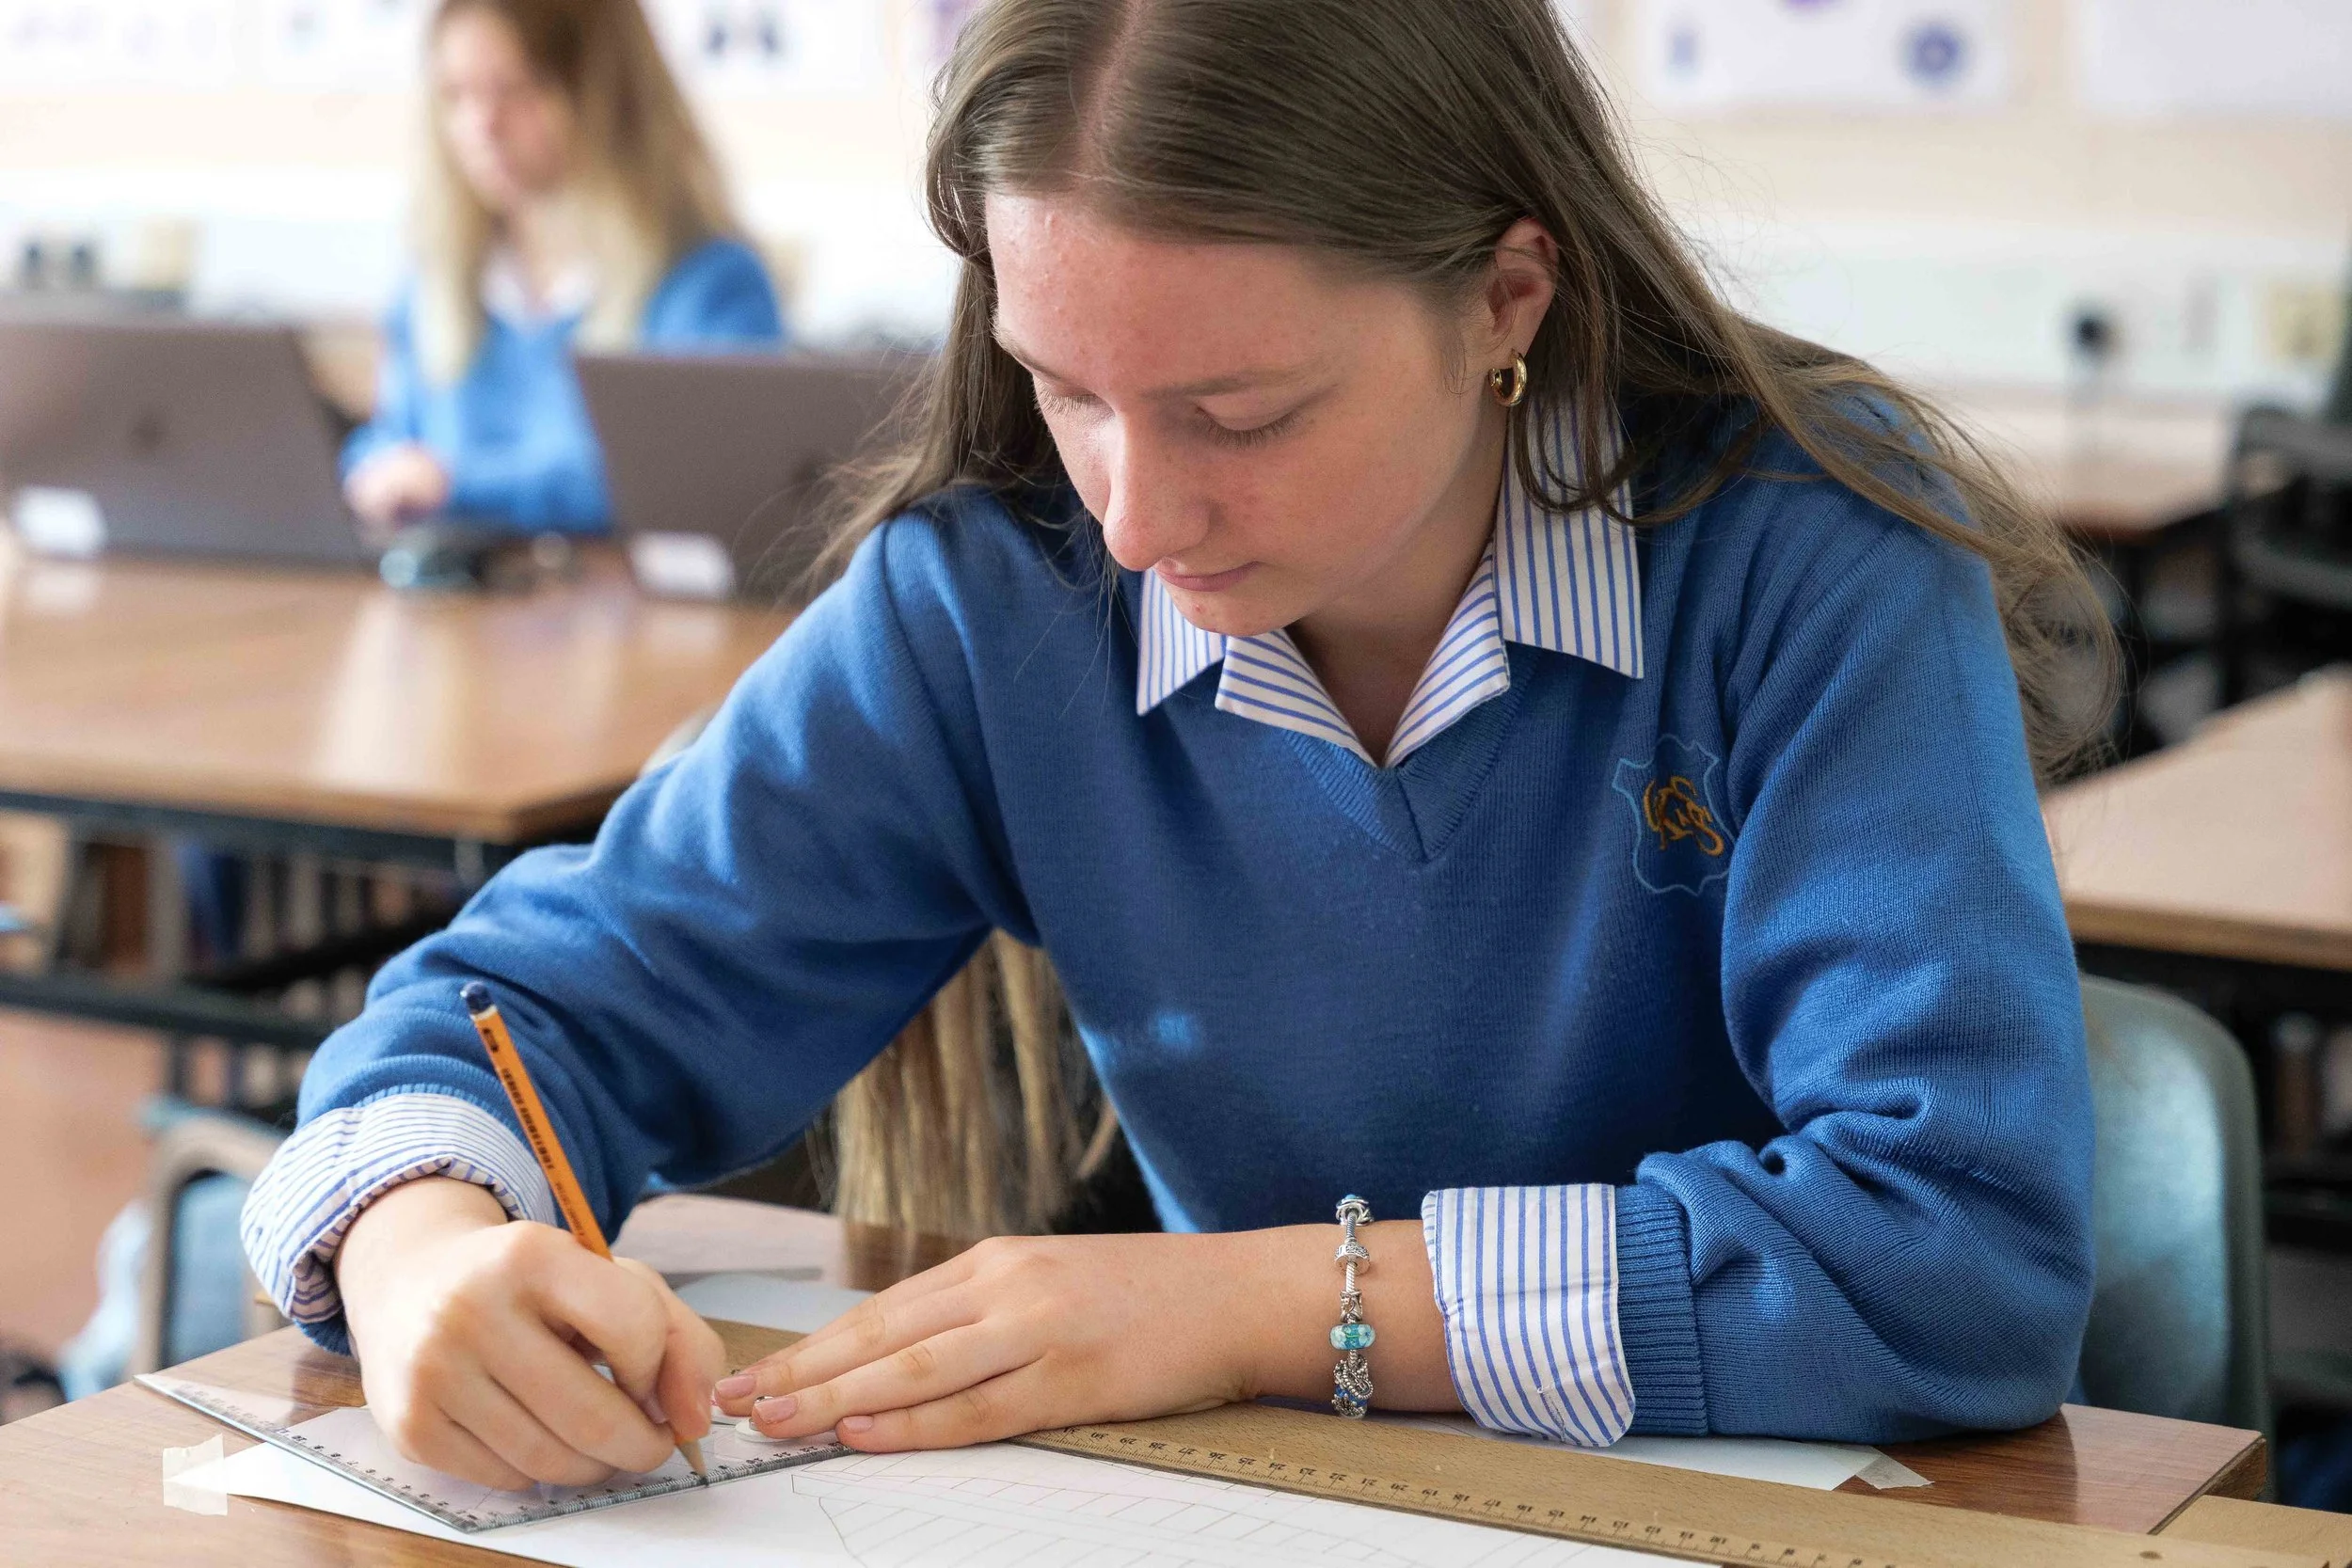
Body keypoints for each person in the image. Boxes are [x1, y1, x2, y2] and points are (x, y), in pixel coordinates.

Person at [243, 0, 2112, 1490]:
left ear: (1503, 301)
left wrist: (1249, 1301)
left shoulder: (1816, 561)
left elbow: (1953, 1242)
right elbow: (522, 1003)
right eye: (1067, 390)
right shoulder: (995, 603)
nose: (1135, 517)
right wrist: (415, 1243)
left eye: (1241, 410)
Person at [342, 0, 784, 535]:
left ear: (600, 95)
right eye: (456, 95)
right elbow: (394, 437)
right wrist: (369, 470)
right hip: (453, 607)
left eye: (515, 89)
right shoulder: (436, 279)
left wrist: (454, 485)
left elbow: (705, 481)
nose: (481, 125)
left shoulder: (710, 287)